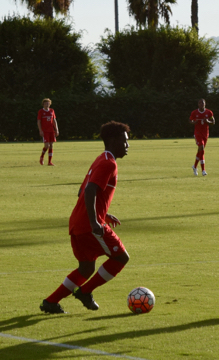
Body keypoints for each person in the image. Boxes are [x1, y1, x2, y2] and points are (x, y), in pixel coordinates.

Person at [40, 121, 131, 314]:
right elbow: (89, 191)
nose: (127, 146)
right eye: (124, 141)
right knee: (120, 257)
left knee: (86, 268)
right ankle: (85, 292)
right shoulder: (108, 163)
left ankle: (50, 302)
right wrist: (95, 221)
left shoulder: (101, 159)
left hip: (77, 223)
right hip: (88, 225)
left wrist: (103, 214)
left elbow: (82, 190)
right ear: (113, 141)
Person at [189, 99, 215, 176]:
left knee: (200, 150)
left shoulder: (209, 112)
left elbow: (213, 122)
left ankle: (194, 166)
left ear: (205, 104)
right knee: (202, 148)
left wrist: (208, 121)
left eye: (202, 103)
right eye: (200, 103)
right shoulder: (194, 112)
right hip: (197, 133)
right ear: (198, 104)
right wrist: (194, 122)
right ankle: (203, 170)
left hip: (205, 133)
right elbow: (190, 120)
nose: (201, 104)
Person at [37, 98, 59, 166]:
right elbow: (39, 121)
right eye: (46, 103)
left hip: (51, 130)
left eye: (48, 103)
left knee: (51, 145)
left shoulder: (52, 111)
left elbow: (54, 120)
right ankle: (42, 156)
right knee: (47, 145)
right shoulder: (41, 111)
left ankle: (49, 162)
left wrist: (56, 129)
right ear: (43, 104)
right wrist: (40, 130)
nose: (47, 104)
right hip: (45, 131)